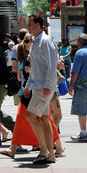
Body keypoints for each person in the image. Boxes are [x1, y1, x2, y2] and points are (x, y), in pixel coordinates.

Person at [24, 14, 58, 164]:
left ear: (38, 25)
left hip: (43, 87)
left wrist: (47, 86)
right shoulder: (36, 42)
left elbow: (51, 66)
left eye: (30, 24)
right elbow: (35, 68)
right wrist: (28, 86)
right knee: (44, 119)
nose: (28, 26)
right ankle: (50, 154)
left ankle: (44, 151)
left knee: (30, 116)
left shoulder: (45, 41)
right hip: (38, 86)